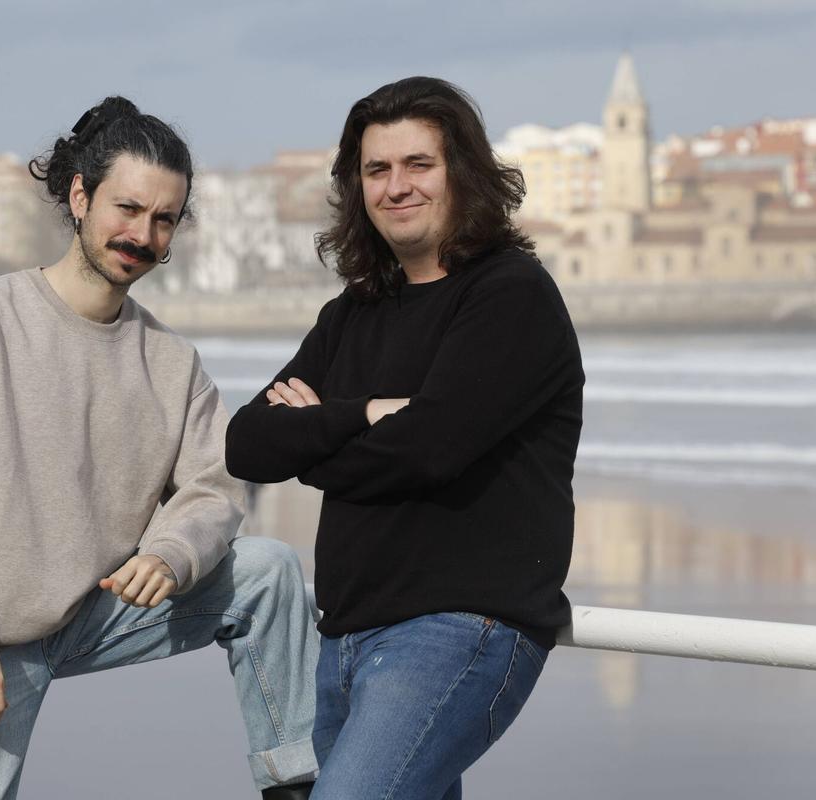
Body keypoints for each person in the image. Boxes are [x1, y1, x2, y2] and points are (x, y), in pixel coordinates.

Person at [0, 96, 318, 800]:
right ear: (80, 196)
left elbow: (216, 484)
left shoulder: (171, 360)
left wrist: (171, 552)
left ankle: (293, 785)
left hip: (85, 614)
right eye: (128, 209)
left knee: (267, 572)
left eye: (164, 219)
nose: (143, 234)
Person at [225, 77, 584, 800]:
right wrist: (363, 414)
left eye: (418, 164)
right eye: (376, 170)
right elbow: (247, 445)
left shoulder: (510, 295)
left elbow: (428, 449)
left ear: (462, 171)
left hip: (462, 633)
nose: (396, 187)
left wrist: (317, 438)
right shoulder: (353, 312)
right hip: (346, 638)